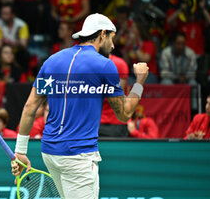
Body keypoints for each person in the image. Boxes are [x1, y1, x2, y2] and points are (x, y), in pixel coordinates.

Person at [11, 13, 149, 199]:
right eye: (112, 38)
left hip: (50, 153)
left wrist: (20, 151)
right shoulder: (105, 65)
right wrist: (140, 81)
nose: (113, 45)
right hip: (78, 156)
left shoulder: (52, 61)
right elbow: (124, 114)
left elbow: (30, 107)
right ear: (102, 34)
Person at [0, 3, 30, 73]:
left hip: (16, 51)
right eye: (2, 13)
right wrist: (14, 43)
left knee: (25, 55)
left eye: (6, 13)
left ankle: (23, 77)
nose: (3, 16)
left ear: (13, 14)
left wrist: (7, 43)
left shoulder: (22, 25)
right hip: (2, 52)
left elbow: (23, 45)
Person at [99, 54, 129, 137]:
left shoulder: (119, 64)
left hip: (115, 124)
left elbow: (117, 95)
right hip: (92, 124)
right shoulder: (86, 64)